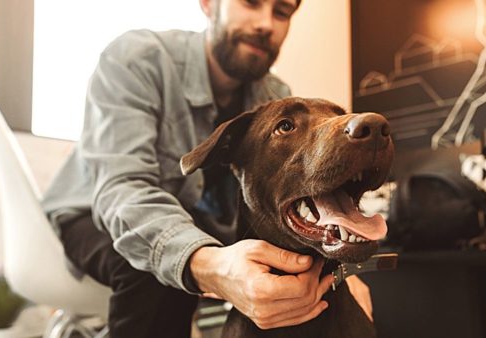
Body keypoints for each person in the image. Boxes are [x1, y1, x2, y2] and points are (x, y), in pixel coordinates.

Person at [42, 0, 372, 337]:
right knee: (154, 265)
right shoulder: (136, 59)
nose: (265, 24)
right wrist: (206, 263)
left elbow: (287, 205)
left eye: (281, 12)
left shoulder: (278, 99)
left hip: (199, 221)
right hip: (93, 214)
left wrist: (338, 271)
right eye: (251, 3)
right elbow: (122, 190)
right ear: (208, 4)